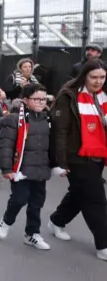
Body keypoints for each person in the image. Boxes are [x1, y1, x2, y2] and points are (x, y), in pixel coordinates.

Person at [48, 59, 107, 261]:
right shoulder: (68, 96)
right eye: (94, 77)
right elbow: (60, 131)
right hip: (77, 155)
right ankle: (103, 245)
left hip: (99, 154)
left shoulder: (103, 95)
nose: (98, 81)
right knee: (96, 199)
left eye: (102, 77)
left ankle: (57, 220)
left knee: (79, 193)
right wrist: (60, 161)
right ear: (84, 76)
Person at [0, 83, 52, 250]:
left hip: (41, 169)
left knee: (37, 203)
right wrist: (7, 169)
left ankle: (32, 234)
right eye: (37, 99)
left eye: (44, 98)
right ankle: (7, 221)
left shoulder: (47, 118)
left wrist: (58, 165)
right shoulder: (14, 119)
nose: (41, 102)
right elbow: (6, 145)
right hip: (20, 169)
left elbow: (53, 145)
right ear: (26, 100)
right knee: (19, 199)